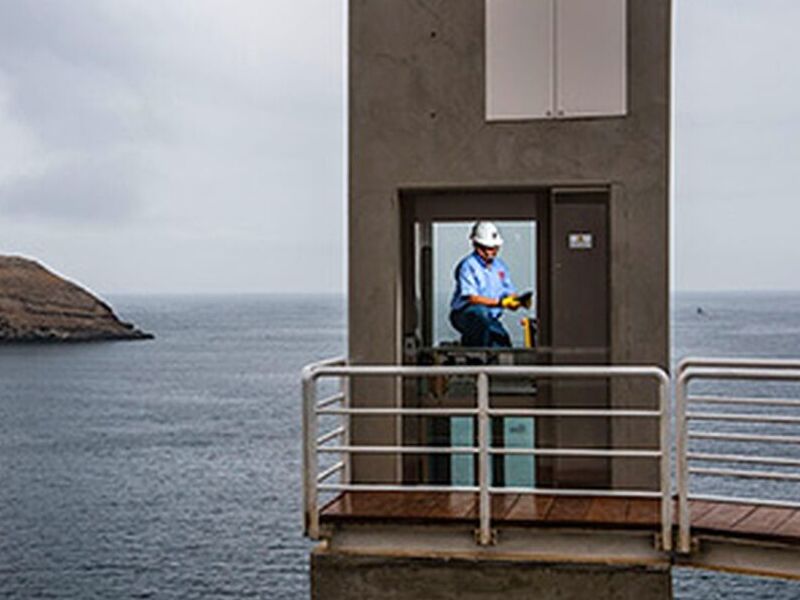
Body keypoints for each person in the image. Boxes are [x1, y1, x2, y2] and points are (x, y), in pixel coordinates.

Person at [449, 221, 527, 347]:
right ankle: (475, 354)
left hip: (490, 318)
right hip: (465, 315)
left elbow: (509, 292)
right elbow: (472, 298)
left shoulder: (500, 267)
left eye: (494, 248)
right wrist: (500, 303)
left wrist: (516, 302)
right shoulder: (468, 266)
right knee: (480, 314)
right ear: (476, 245)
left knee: (501, 341)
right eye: (486, 248)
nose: (490, 252)